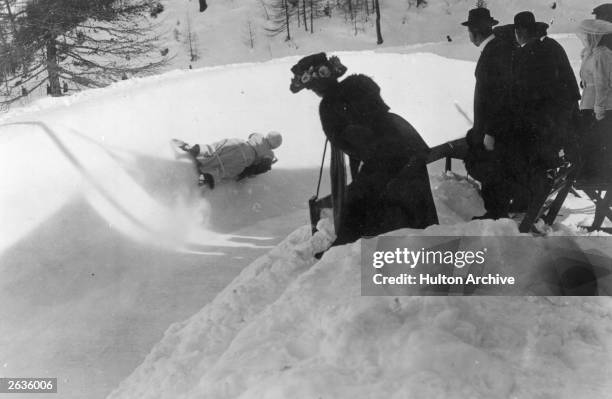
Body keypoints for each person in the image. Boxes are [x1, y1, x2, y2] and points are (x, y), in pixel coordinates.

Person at [289, 52, 438, 246]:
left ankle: (344, 252)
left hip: (386, 158)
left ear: (318, 84)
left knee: (359, 205)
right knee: (416, 208)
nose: (312, 91)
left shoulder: (329, 107)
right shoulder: (359, 85)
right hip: (408, 151)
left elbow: (354, 143)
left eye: (311, 87)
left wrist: (366, 170)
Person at [510, 11, 581, 203]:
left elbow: (528, 95)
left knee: (516, 145)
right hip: (562, 124)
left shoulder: (531, 52)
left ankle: (524, 200)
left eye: (516, 32)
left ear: (521, 31)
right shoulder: (552, 46)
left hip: (547, 128)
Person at [461, 8, 516, 219]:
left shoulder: (493, 53)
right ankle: (496, 211)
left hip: (493, 127)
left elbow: (497, 97)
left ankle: (495, 214)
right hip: (497, 125)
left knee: (488, 165)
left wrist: (490, 131)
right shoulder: (498, 48)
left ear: (474, 32)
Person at [174, 131, 282, 188]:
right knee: (226, 170)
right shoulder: (269, 154)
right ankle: (208, 176)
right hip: (246, 157)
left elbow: (252, 134)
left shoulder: (259, 135)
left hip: (236, 143)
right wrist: (247, 173)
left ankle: (195, 150)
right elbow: (263, 167)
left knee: (214, 150)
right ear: (275, 147)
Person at [576, 18, 612, 180]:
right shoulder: (590, 53)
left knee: (596, 142)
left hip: (600, 105)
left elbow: (602, 83)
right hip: (588, 103)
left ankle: (596, 176)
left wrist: (599, 109)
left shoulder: (602, 54)